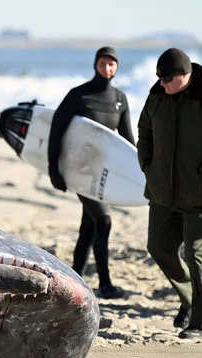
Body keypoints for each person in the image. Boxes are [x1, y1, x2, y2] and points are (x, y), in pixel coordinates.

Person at [136, 48, 202, 338]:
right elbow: (144, 131)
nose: (162, 83)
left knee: (197, 255)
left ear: (185, 75)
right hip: (162, 192)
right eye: (159, 78)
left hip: (200, 195)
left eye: (168, 79)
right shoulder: (157, 96)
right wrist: (147, 165)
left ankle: (200, 323)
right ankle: (190, 299)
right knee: (158, 246)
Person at [47, 46, 134, 299]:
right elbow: (57, 130)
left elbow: (127, 140)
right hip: (80, 171)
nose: (108, 68)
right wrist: (55, 169)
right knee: (103, 221)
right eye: (103, 63)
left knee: (89, 225)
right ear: (95, 64)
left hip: (103, 175)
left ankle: (76, 275)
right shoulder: (79, 95)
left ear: (117, 67)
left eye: (112, 64)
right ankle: (105, 285)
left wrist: (142, 167)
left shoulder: (120, 99)